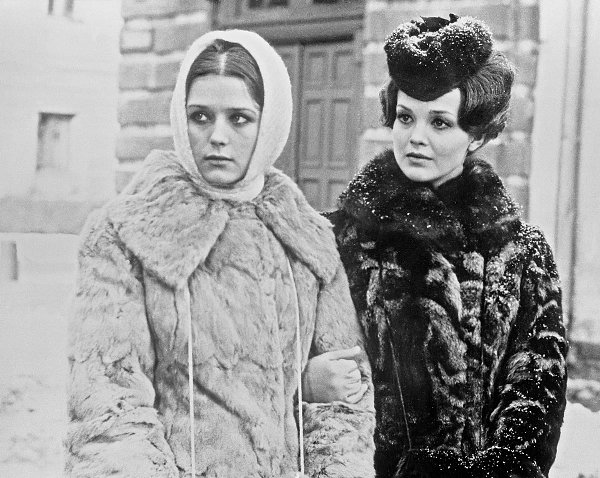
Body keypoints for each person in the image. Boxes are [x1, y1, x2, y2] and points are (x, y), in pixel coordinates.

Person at [64, 29, 375, 478]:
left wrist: (306, 392)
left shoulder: (308, 238)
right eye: (201, 117)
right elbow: (109, 406)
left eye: (239, 118)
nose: (217, 137)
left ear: (269, 124)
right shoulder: (126, 235)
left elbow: (347, 405)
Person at [303, 14, 568, 478]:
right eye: (405, 117)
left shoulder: (521, 254)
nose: (416, 138)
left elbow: (534, 395)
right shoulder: (333, 240)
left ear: (477, 135)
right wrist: (304, 383)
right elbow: (259, 371)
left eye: (440, 123)